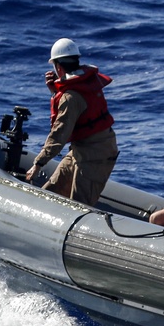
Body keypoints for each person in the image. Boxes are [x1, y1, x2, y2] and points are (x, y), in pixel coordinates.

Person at [25, 38, 119, 206]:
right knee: (51, 192)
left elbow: (59, 134)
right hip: (81, 150)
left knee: (79, 206)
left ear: (58, 67)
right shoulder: (85, 83)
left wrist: (38, 164)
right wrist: (56, 92)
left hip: (95, 156)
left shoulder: (70, 97)